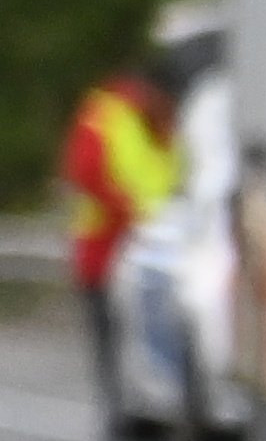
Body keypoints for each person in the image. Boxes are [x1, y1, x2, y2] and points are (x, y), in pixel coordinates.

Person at [54, 49, 179, 408]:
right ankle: (119, 403)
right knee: (111, 329)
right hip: (104, 245)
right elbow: (87, 172)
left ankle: (150, 397)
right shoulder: (105, 114)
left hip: (157, 245)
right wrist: (131, 214)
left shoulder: (166, 123)